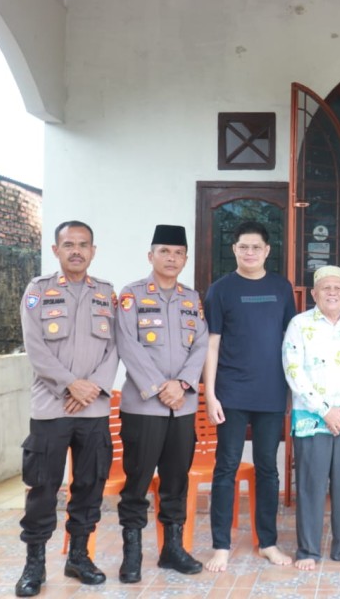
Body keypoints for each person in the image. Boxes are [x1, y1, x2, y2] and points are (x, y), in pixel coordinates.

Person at [15, 220, 118, 597]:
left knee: (90, 485)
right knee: (43, 487)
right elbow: (34, 346)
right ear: (56, 250)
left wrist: (93, 387)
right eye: (69, 244)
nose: (77, 251)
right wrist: (71, 384)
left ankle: (79, 557)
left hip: (93, 409)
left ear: (93, 251)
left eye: (83, 244)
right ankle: (35, 564)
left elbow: (115, 347)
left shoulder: (106, 293)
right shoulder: (38, 291)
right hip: (51, 408)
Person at [115, 224, 209, 582]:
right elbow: (127, 343)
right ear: (150, 255)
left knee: (176, 480)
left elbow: (201, 344)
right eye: (165, 251)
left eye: (178, 253)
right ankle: (132, 554)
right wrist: (159, 386)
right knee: (138, 481)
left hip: (182, 406)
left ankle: (172, 549)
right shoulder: (132, 295)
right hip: (144, 408)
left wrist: (182, 384)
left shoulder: (191, 298)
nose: (172, 258)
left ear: (185, 258)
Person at [202, 220, 296, 572]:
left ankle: (267, 543)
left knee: (268, 468)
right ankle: (221, 545)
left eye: (256, 247)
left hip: (271, 392)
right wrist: (210, 394)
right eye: (244, 247)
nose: (250, 252)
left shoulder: (281, 288)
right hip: (231, 393)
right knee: (225, 466)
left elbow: (291, 340)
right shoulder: (220, 290)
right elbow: (212, 344)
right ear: (235, 249)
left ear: (267, 251)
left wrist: (293, 391)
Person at [282, 265, 340, 570]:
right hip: (312, 420)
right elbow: (293, 370)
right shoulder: (299, 325)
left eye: (338, 288)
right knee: (311, 487)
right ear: (314, 293)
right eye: (326, 288)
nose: (332, 293)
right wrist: (325, 410)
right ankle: (308, 550)